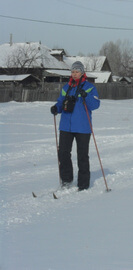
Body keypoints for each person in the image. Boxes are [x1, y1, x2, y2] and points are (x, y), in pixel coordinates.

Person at [50, 61, 100, 191]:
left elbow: (95, 105)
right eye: (73, 72)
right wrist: (56, 108)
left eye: (77, 71)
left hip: (83, 127)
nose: (74, 74)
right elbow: (61, 102)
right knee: (63, 153)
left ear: (82, 73)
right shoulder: (66, 87)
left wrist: (86, 96)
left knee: (82, 155)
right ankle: (66, 180)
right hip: (66, 126)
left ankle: (83, 183)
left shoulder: (89, 87)